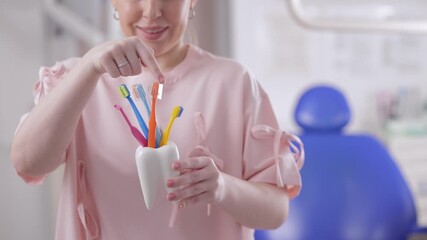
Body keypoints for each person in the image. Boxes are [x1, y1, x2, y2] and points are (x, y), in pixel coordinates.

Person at [10, 0, 304, 239]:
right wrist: (88, 67)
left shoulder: (235, 83)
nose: (152, 11)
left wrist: (222, 188)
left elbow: (275, 211)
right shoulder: (76, 79)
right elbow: (27, 162)